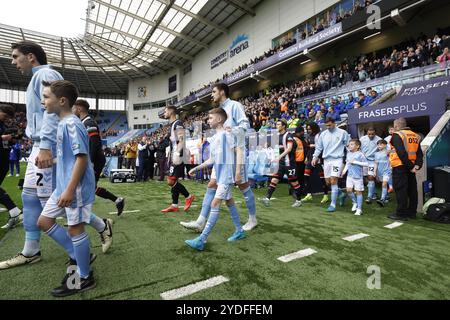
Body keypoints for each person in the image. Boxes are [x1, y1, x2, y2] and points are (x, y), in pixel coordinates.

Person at [36, 80, 96, 296]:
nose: (43, 101)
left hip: (75, 187)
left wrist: (70, 190)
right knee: (44, 221)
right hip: (62, 186)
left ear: (61, 101)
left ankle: (85, 277)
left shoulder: (72, 123)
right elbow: (68, 158)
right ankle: (79, 255)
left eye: (46, 97)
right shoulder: (62, 123)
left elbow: (81, 158)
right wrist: (51, 161)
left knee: (74, 229)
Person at [180, 83, 257, 232]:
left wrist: (232, 130)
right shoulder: (217, 112)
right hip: (223, 157)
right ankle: (200, 221)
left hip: (236, 154)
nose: (212, 94)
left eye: (214, 91)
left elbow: (245, 126)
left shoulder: (234, 105)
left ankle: (252, 219)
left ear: (222, 92)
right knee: (212, 185)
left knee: (243, 186)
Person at [184, 108, 246, 251]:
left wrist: (237, 173)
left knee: (215, 203)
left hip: (226, 176)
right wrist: (195, 168)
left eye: (210, 118)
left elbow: (239, 151)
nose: (208, 120)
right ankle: (240, 231)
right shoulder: (215, 138)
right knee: (229, 202)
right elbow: (212, 159)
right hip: (219, 175)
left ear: (219, 120)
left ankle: (202, 239)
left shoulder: (226, 134)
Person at [73, 99, 125, 217]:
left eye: (74, 108)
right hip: (94, 159)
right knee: (90, 187)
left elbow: (94, 143)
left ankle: (82, 215)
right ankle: (117, 200)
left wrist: (89, 162)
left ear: (79, 108)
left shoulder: (89, 123)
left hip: (95, 160)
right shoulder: (84, 122)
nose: (72, 110)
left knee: (86, 187)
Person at [160, 106, 195, 213]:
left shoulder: (177, 123)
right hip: (176, 153)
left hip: (179, 154)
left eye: (165, 111)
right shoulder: (172, 124)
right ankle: (174, 205)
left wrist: (176, 153)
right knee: (172, 180)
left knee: (171, 180)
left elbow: (182, 140)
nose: (164, 113)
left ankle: (188, 196)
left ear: (171, 111)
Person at [261, 119, 303, 207]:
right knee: (274, 179)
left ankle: (299, 200)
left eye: (279, 124)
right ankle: (267, 198)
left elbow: (289, 149)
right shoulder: (278, 136)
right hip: (281, 163)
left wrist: (278, 157)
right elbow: (278, 149)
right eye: (276, 124)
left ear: (284, 126)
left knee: (294, 182)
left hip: (289, 164)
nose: (277, 126)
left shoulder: (288, 136)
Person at [388, 118, 423, 221]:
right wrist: (417, 166)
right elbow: (419, 154)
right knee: (412, 190)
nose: (394, 128)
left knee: (400, 189)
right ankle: (412, 213)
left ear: (397, 126)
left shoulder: (397, 135)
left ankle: (401, 214)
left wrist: (411, 167)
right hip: (411, 167)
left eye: (394, 126)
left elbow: (401, 152)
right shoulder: (416, 136)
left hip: (400, 166)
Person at [312, 117, 350, 212]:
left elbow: (348, 146)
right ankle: (341, 194)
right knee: (328, 182)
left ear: (334, 123)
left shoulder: (343, 133)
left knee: (333, 181)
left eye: (329, 125)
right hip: (326, 160)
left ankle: (333, 204)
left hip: (337, 159)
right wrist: (315, 157)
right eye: (326, 125)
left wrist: (349, 159)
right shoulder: (323, 134)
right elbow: (319, 147)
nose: (328, 127)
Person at [0, 104, 22, 229]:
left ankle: (14, 211)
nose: (6, 118)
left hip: (3, 159)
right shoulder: (2, 126)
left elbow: (5, 142)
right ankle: (14, 211)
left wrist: (11, 139)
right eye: (5, 115)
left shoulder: (3, 126)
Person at [302, 122, 329, 203]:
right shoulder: (308, 136)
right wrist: (307, 157)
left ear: (314, 128)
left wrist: (318, 157)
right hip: (310, 158)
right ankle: (309, 194)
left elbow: (323, 147)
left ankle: (325, 195)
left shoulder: (320, 135)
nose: (308, 130)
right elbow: (309, 148)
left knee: (322, 178)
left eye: (310, 129)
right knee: (306, 176)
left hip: (318, 159)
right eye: (307, 129)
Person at [342, 139, 368, 216]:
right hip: (349, 176)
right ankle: (355, 202)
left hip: (358, 177)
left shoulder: (360, 154)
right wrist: (344, 171)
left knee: (358, 192)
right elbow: (347, 163)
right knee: (349, 190)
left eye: (352, 144)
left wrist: (355, 162)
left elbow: (366, 164)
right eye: (349, 144)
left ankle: (359, 209)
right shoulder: (348, 154)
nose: (350, 145)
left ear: (357, 146)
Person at [360, 128, 382, 203]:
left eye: (372, 134)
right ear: (367, 133)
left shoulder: (379, 139)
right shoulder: (362, 139)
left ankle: (369, 197)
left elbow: (382, 150)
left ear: (375, 133)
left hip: (373, 161)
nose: (371, 135)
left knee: (371, 177)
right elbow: (358, 148)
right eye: (369, 134)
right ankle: (374, 193)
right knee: (367, 178)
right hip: (364, 161)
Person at [374, 140, 391, 207]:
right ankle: (386, 197)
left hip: (387, 171)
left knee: (384, 183)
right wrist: (375, 171)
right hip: (379, 171)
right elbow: (376, 163)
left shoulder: (388, 152)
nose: (379, 146)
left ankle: (382, 199)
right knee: (383, 184)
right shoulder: (376, 154)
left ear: (385, 145)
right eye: (378, 145)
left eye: (381, 144)